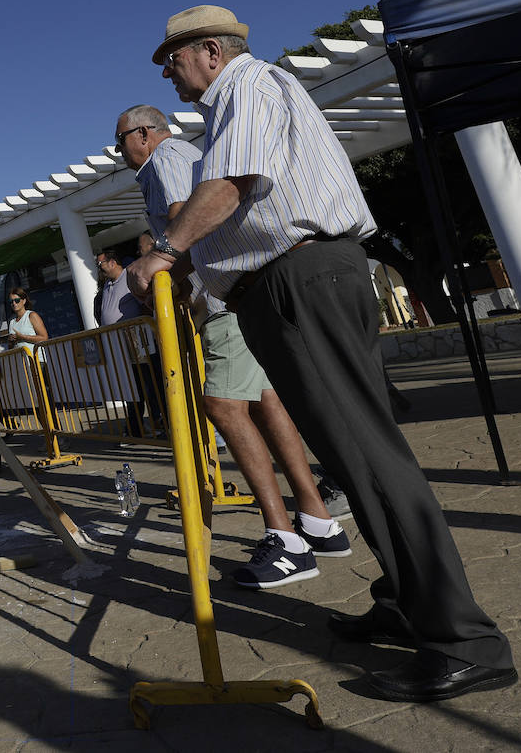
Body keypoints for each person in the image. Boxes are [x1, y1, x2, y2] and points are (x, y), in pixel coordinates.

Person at [128, 6, 514, 701]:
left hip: (300, 278)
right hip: (287, 283)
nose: (168, 71)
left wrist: (165, 252)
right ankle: (406, 599)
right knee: (350, 455)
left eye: (173, 59)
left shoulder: (246, 85)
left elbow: (231, 185)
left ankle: (464, 640)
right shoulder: (232, 102)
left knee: (365, 455)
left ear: (211, 51)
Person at [116, 102, 348, 588]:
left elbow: (186, 222)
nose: (120, 154)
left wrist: (162, 276)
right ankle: (317, 519)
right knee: (266, 405)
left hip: (221, 301)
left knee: (222, 404)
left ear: (142, 134)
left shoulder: (167, 159)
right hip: (228, 298)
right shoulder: (178, 158)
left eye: (121, 142)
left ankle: (285, 540)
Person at [96, 245, 162, 438]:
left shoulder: (129, 278)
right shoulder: (107, 286)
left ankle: (159, 422)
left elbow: (146, 306)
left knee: (149, 383)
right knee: (131, 386)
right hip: (118, 343)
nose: (98, 267)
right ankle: (135, 427)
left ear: (112, 262)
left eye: (100, 263)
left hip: (137, 339)